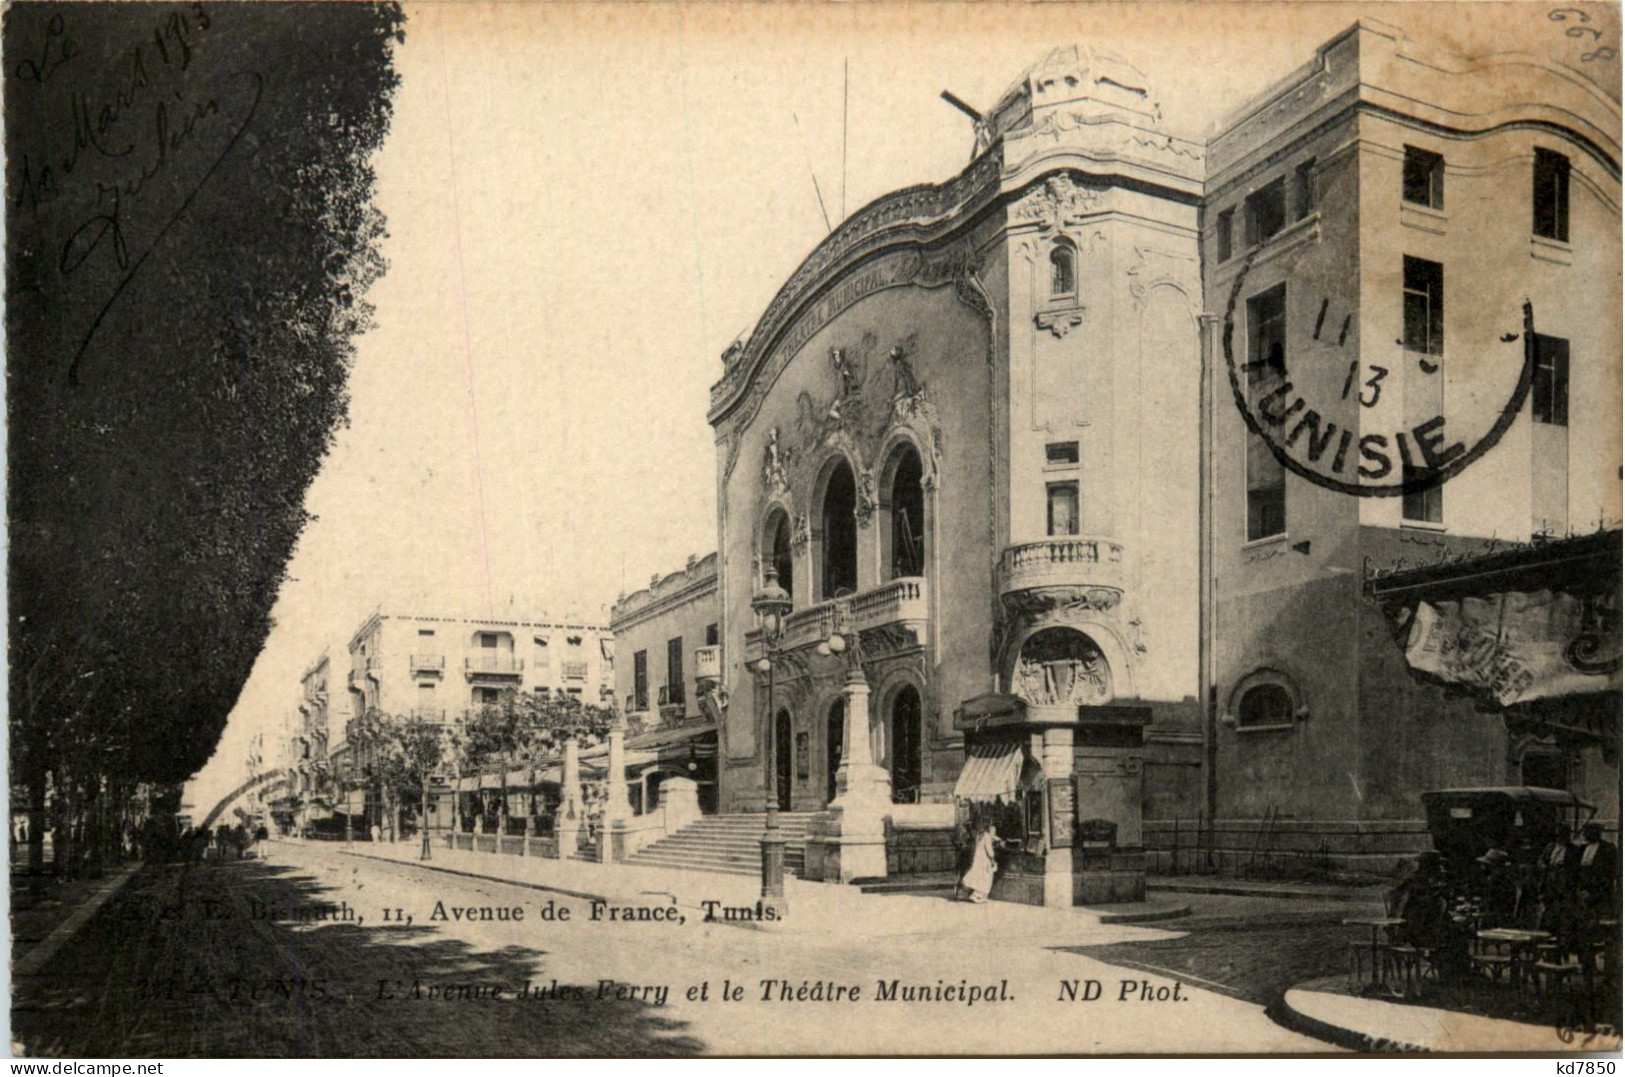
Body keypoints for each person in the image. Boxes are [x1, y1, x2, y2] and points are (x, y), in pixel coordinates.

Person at [961, 818, 998, 904]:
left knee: (979, 875)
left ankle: (978, 895)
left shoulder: (979, 835)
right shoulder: (987, 836)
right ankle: (978, 895)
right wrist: (992, 858)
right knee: (986, 877)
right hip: (984, 859)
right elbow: (989, 850)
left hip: (978, 858)